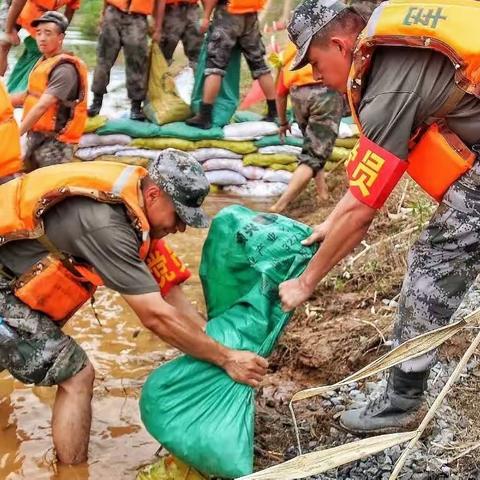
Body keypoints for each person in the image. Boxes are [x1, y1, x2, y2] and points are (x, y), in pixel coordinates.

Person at [280, 0, 480, 435]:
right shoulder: (399, 44)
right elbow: (364, 180)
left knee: (435, 259)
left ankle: (400, 402)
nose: (314, 76)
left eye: (315, 62)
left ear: (339, 43)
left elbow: (363, 212)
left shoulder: (386, 87)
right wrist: (327, 224)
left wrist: (304, 283)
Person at [0, 151, 268, 464]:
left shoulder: (136, 208)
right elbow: (155, 316)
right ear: (154, 194)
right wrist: (226, 359)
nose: (181, 228)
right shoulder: (107, 226)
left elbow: (170, 295)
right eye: (179, 216)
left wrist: (220, 345)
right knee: (77, 376)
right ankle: (72, 472)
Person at [270, 41, 343, 213]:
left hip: (298, 96)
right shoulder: (324, 43)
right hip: (323, 93)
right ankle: (280, 205)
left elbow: (280, 94)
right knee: (313, 154)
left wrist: (283, 122)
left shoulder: (289, 52)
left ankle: (322, 193)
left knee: (314, 145)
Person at [9, 11, 87, 171]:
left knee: (49, 191)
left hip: (56, 144)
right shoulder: (44, 62)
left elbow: (43, 105)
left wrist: (16, 134)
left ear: (61, 38)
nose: (42, 38)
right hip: (36, 137)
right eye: (38, 33)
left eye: (48, 33)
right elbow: (29, 97)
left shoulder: (65, 69)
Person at [186, 0, 277, 129]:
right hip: (250, 14)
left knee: (214, 67)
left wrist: (206, 17)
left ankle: (204, 116)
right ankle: (275, 112)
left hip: (227, 15)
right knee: (260, 66)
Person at [87, 0, 160, 121]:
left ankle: (136, 108)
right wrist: (103, 13)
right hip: (113, 12)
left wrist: (157, 25)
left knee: (138, 64)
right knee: (103, 60)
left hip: (137, 17)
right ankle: (96, 103)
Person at [0, 0, 80, 80]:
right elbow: (17, 3)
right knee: (4, 45)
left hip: (37, 12)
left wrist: (59, 36)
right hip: (13, 6)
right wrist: (9, 31)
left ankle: (25, 81)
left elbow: (70, 11)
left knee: (44, 48)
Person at [153, 0, 203, 69]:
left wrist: (207, 16)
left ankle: (198, 77)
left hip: (192, 8)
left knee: (198, 56)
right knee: (163, 56)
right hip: (170, 9)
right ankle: (159, 75)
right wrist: (157, 27)